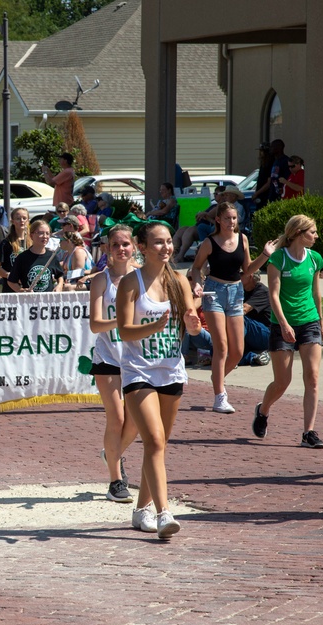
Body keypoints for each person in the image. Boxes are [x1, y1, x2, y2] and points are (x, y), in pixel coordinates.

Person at [116, 219, 203, 538]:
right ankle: (164, 513)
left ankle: (141, 510)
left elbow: (191, 322)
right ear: (142, 247)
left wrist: (194, 325)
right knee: (152, 440)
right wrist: (153, 327)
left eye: (169, 241)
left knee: (159, 445)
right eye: (158, 242)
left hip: (171, 370)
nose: (166, 247)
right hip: (138, 371)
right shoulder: (131, 283)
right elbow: (124, 331)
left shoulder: (179, 281)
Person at [188, 202, 276, 413]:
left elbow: (247, 270)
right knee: (222, 347)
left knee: (237, 351)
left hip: (236, 292)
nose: (231, 222)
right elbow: (196, 267)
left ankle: (216, 377)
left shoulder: (242, 239)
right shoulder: (210, 242)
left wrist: (265, 255)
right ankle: (220, 395)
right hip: (214, 293)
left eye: (234, 218)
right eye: (227, 218)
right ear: (218, 219)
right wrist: (197, 283)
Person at [251, 215, 323, 448]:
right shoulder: (278, 258)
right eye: (312, 232)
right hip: (281, 323)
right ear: (298, 233)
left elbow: (316, 294)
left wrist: (321, 322)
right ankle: (263, 411)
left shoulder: (315, 259)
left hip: (309, 321)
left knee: (312, 377)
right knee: (282, 381)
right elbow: (273, 294)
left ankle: (308, 432)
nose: (316, 236)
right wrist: (283, 324)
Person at [88, 223, 139, 503]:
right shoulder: (100, 280)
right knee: (117, 418)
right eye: (116, 244)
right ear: (107, 248)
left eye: (126, 244)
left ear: (133, 247)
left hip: (136, 358)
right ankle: (115, 481)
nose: (121, 249)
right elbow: (95, 324)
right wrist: (123, 321)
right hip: (107, 357)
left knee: (135, 423)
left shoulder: (143, 278)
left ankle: (112, 453)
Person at [6, 219, 64, 293]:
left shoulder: (52, 256)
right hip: (30, 301)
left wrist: (59, 286)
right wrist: (21, 291)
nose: (45, 236)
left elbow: (60, 275)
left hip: (48, 301)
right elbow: (11, 282)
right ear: (31, 235)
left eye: (47, 233)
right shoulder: (22, 258)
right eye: (41, 233)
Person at [0, 207, 29, 291]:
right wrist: (11, 276)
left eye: (24, 218)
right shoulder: (6, 243)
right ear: (12, 221)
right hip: (11, 288)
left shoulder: (33, 241)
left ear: (28, 220)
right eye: (18, 219)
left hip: (29, 286)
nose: (22, 221)